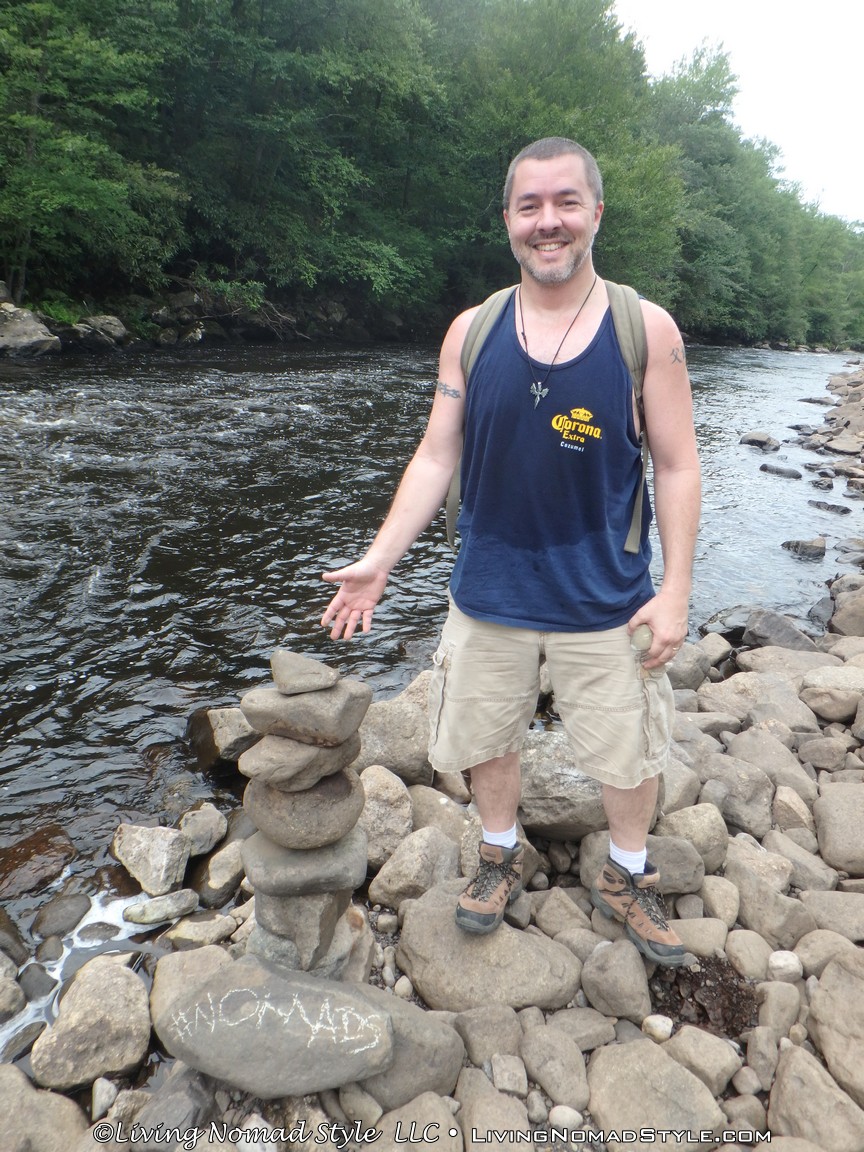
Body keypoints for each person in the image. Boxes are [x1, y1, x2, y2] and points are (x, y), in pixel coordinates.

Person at [320, 137, 701, 967]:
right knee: (488, 735)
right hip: (487, 590)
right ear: (507, 220)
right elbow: (437, 454)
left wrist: (674, 591)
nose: (547, 222)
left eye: (566, 202)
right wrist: (380, 559)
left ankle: (627, 871)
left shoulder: (645, 329)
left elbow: (676, 465)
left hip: (607, 595)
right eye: (530, 206)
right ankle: (499, 853)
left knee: (629, 747)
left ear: (596, 213)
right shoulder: (472, 330)